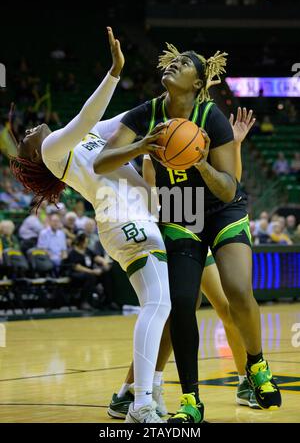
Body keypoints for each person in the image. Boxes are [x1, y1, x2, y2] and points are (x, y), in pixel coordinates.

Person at [93, 43, 281, 421]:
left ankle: (257, 366)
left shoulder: (212, 116)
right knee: (180, 304)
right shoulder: (147, 113)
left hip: (221, 207)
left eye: (183, 64)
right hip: (181, 210)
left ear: (197, 84)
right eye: (172, 61)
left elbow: (229, 186)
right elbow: (100, 162)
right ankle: (191, 401)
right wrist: (142, 146)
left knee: (238, 290)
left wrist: (200, 164)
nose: (174, 64)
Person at [10, 27, 171, 423]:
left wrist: (177, 96)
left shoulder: (91, 140)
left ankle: (126, 396)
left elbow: (129, 117)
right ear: (35, 157)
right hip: (122, 222)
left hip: (142, 215)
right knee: (159, 304)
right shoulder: (53, 152)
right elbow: (87, 116)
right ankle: (142, 404)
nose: (32, 130)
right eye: (26, 137)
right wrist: (115, 72)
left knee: (169, 305)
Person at [107, 108, 260, 421]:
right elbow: (153, 195)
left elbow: (231, 185)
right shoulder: (159, 146)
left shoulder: (199, 139)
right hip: (174, 223)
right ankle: (133, 390)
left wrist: (235, 146)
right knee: (175, 310)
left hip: (197, 219)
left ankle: (246, 380)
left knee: (224, 305)